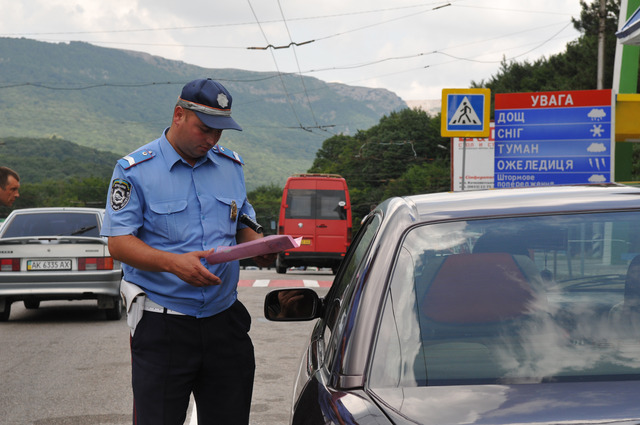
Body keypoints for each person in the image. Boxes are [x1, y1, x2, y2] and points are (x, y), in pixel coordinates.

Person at [101, 78, 274, 425]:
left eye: (219, 132)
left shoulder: (230, 166)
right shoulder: (136, 170)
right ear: (179, 115)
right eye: (204, 129)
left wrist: (258, 243)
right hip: (164, 325)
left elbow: (240, 218)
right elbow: (119, 242)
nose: (211, 140)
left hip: (224, 322)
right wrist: (173, 264)